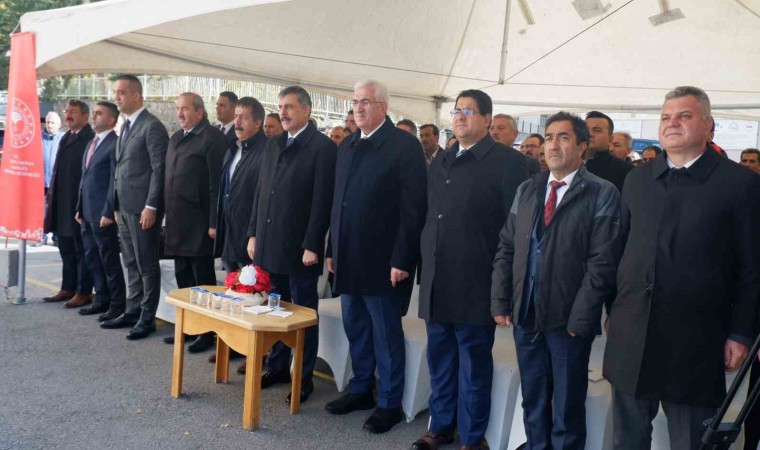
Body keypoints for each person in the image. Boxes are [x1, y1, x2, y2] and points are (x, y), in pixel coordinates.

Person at [604, 86, 760, 449]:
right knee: (627, 438)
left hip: (697, 339)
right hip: (633, 332)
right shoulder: (638, 179)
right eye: (665, 117)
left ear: (709, 126)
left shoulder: (741, 184)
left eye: (684, 116)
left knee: (692, 440)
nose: (671, 123)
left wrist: (741, 333)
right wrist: (613, 309)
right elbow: (619, 249)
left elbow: (752, 266)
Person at [492, 111, 623, 449]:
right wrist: (501, 299)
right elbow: (507, 246)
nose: (552, 144)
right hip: (527, 313)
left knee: (567, 403)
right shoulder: (529, 189)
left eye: (563, 137)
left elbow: (602, 262)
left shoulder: (601, 192)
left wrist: (582, 316)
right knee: (533, 397)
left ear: (582, 147)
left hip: (569, 319)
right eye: (548, 137)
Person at [413, 90, 528, 450]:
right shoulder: (443, 159)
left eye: (468, 110)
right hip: (438, 278)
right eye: (456, 110)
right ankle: (440, 426)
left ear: (487, 119)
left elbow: (515, 231)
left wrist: (504, 287)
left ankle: (472, 437)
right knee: (439, 358)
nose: (460, 116)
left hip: (477, 280)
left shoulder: (510, 163)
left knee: (474, 363)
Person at [325, 79, 427, 434]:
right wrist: (332, 250)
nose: (358, 108)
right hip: (348, 256)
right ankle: (360, 389)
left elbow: (413, 209)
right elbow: (337, 202)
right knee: (356, 328)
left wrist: (402, 258)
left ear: (383, 106)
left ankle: (389, 403)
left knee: (386, 335)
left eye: (365, 102)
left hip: (383, 261)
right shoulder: (348, 144)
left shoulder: (404, 146)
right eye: (355, 101)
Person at [247, 86, 337, 404]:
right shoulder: (274, 144)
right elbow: (261, 194)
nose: (283, 112)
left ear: (307, 110)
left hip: (300, 250)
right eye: (281, 106)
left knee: (303, 316)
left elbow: (322, 201)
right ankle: (278, 366)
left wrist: (313, 244)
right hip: (270, 244)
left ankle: (303, 377)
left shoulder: (322, 148)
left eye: (289, 107)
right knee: (275, 309)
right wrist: (253, 234)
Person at [102, 74, 169, 341]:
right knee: (130, 261)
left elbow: (159, 169)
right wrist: (116, 204)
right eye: (115, 92)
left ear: (136, 95)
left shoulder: (152, 126)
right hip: (125, 207)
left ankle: (147, 318)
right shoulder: (127, 125)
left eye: (121, 92)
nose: (116, 97)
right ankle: (132, 310)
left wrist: (151, 205)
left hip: (143, 208)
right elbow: (121, 168)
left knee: (146, 264)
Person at [163, 92, 225, 349]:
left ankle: (206, 332)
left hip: (200, 224)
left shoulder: (212, 138)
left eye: (185, 108)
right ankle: (188, 327)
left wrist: (213, 222)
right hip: (177, 221)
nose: (179, 113)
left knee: (202, 281)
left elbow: (216, 184)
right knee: (183, 279)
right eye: (177, 108)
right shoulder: (176, 138)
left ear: (199, 111)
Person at [75, 101, 127, 318]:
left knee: (109, 261)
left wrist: (108, 211)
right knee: (93, 259)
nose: (94, 116)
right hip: (87, 212)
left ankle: (117, 304)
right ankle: (102, 299)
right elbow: (85, 178)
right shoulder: (92, 142)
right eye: (94, 112)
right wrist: (79, 208)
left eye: (99, 113)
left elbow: (115, 182)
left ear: (111, 120)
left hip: (102, 214)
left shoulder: (114, 144)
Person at [43, 100, 95, 307]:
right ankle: (68, 287)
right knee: (65, 247)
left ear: (85, 116)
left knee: (81, 249)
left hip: (79, 204)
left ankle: (84, 291)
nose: (68, 115)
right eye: (67, 111)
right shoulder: (66, 137)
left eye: (73, 112)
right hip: (62, 202)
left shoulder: (90, 139)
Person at [584, 111, 632, 192]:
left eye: (597, 130)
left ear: (610, 139)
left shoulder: (626, 171)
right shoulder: (569, 165)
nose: (590, 134)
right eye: (586, 129)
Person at [41, 111, 63, 247]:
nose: (49, 125)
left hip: (57, 181)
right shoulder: (39, 138)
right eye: (48, 122)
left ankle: (56, 236)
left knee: (56, 210)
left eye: (52, 122)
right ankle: (42, 236)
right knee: (41, 211)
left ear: (59, 125)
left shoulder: (64, 139)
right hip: (41, 181)